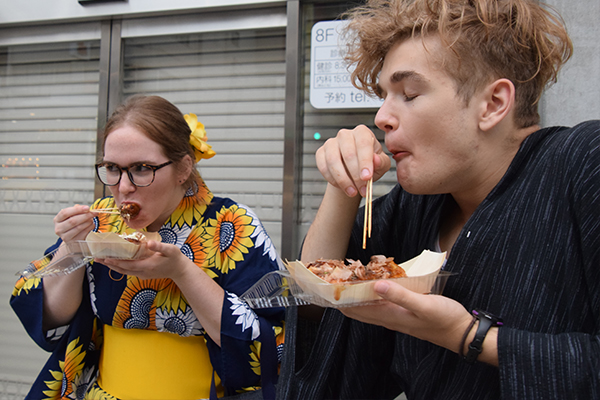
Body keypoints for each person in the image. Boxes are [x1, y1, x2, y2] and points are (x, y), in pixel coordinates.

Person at [276, 0, 600, 399]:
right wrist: (342, 188)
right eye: (384, 95)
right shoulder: (416, 206)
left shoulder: (585, 163)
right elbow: (318, 306)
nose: (381, 117)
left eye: (409, 94)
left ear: (494, 103)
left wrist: (468, 336)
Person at [11, 95, 285, 400]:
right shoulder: (99, 222)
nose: (123, 187)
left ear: (183, 168)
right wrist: (73, 247)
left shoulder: (231, 223)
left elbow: (271, 344)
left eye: (142, 169)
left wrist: (181, 271)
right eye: (112, 168)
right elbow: (52, 318)